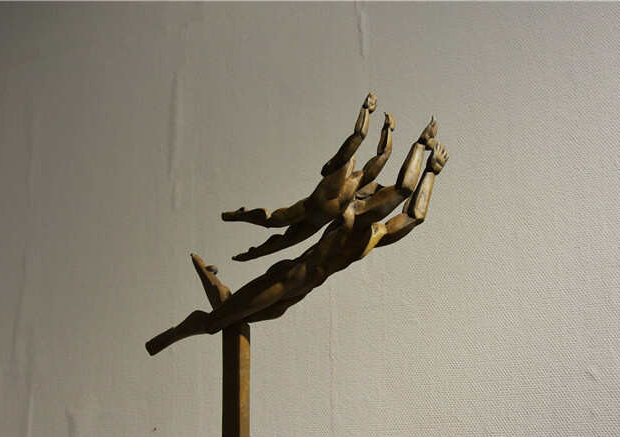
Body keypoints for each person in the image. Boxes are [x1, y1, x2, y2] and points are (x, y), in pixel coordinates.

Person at [146, 140, 449, 356]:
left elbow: (414, 216)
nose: (383, 198)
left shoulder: (375, 234)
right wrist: (420, 147)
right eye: (378, 193)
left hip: (298, 292)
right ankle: (173, 334)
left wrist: (431, 172)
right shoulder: (352, 217)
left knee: (236, 316)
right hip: (287, 279)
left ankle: (210, 277)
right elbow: (404, 190)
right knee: (217, 322)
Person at [221, 93, 438, 262]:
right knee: (274, 223)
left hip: (318, 218)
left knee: (282, 237)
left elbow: (383, 154)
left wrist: (387, 129)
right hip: (313, 208)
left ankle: (251, 249)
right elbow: (359, 136)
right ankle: (241, 216)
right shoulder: (342, 170)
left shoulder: (359, 180)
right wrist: (367, 112)